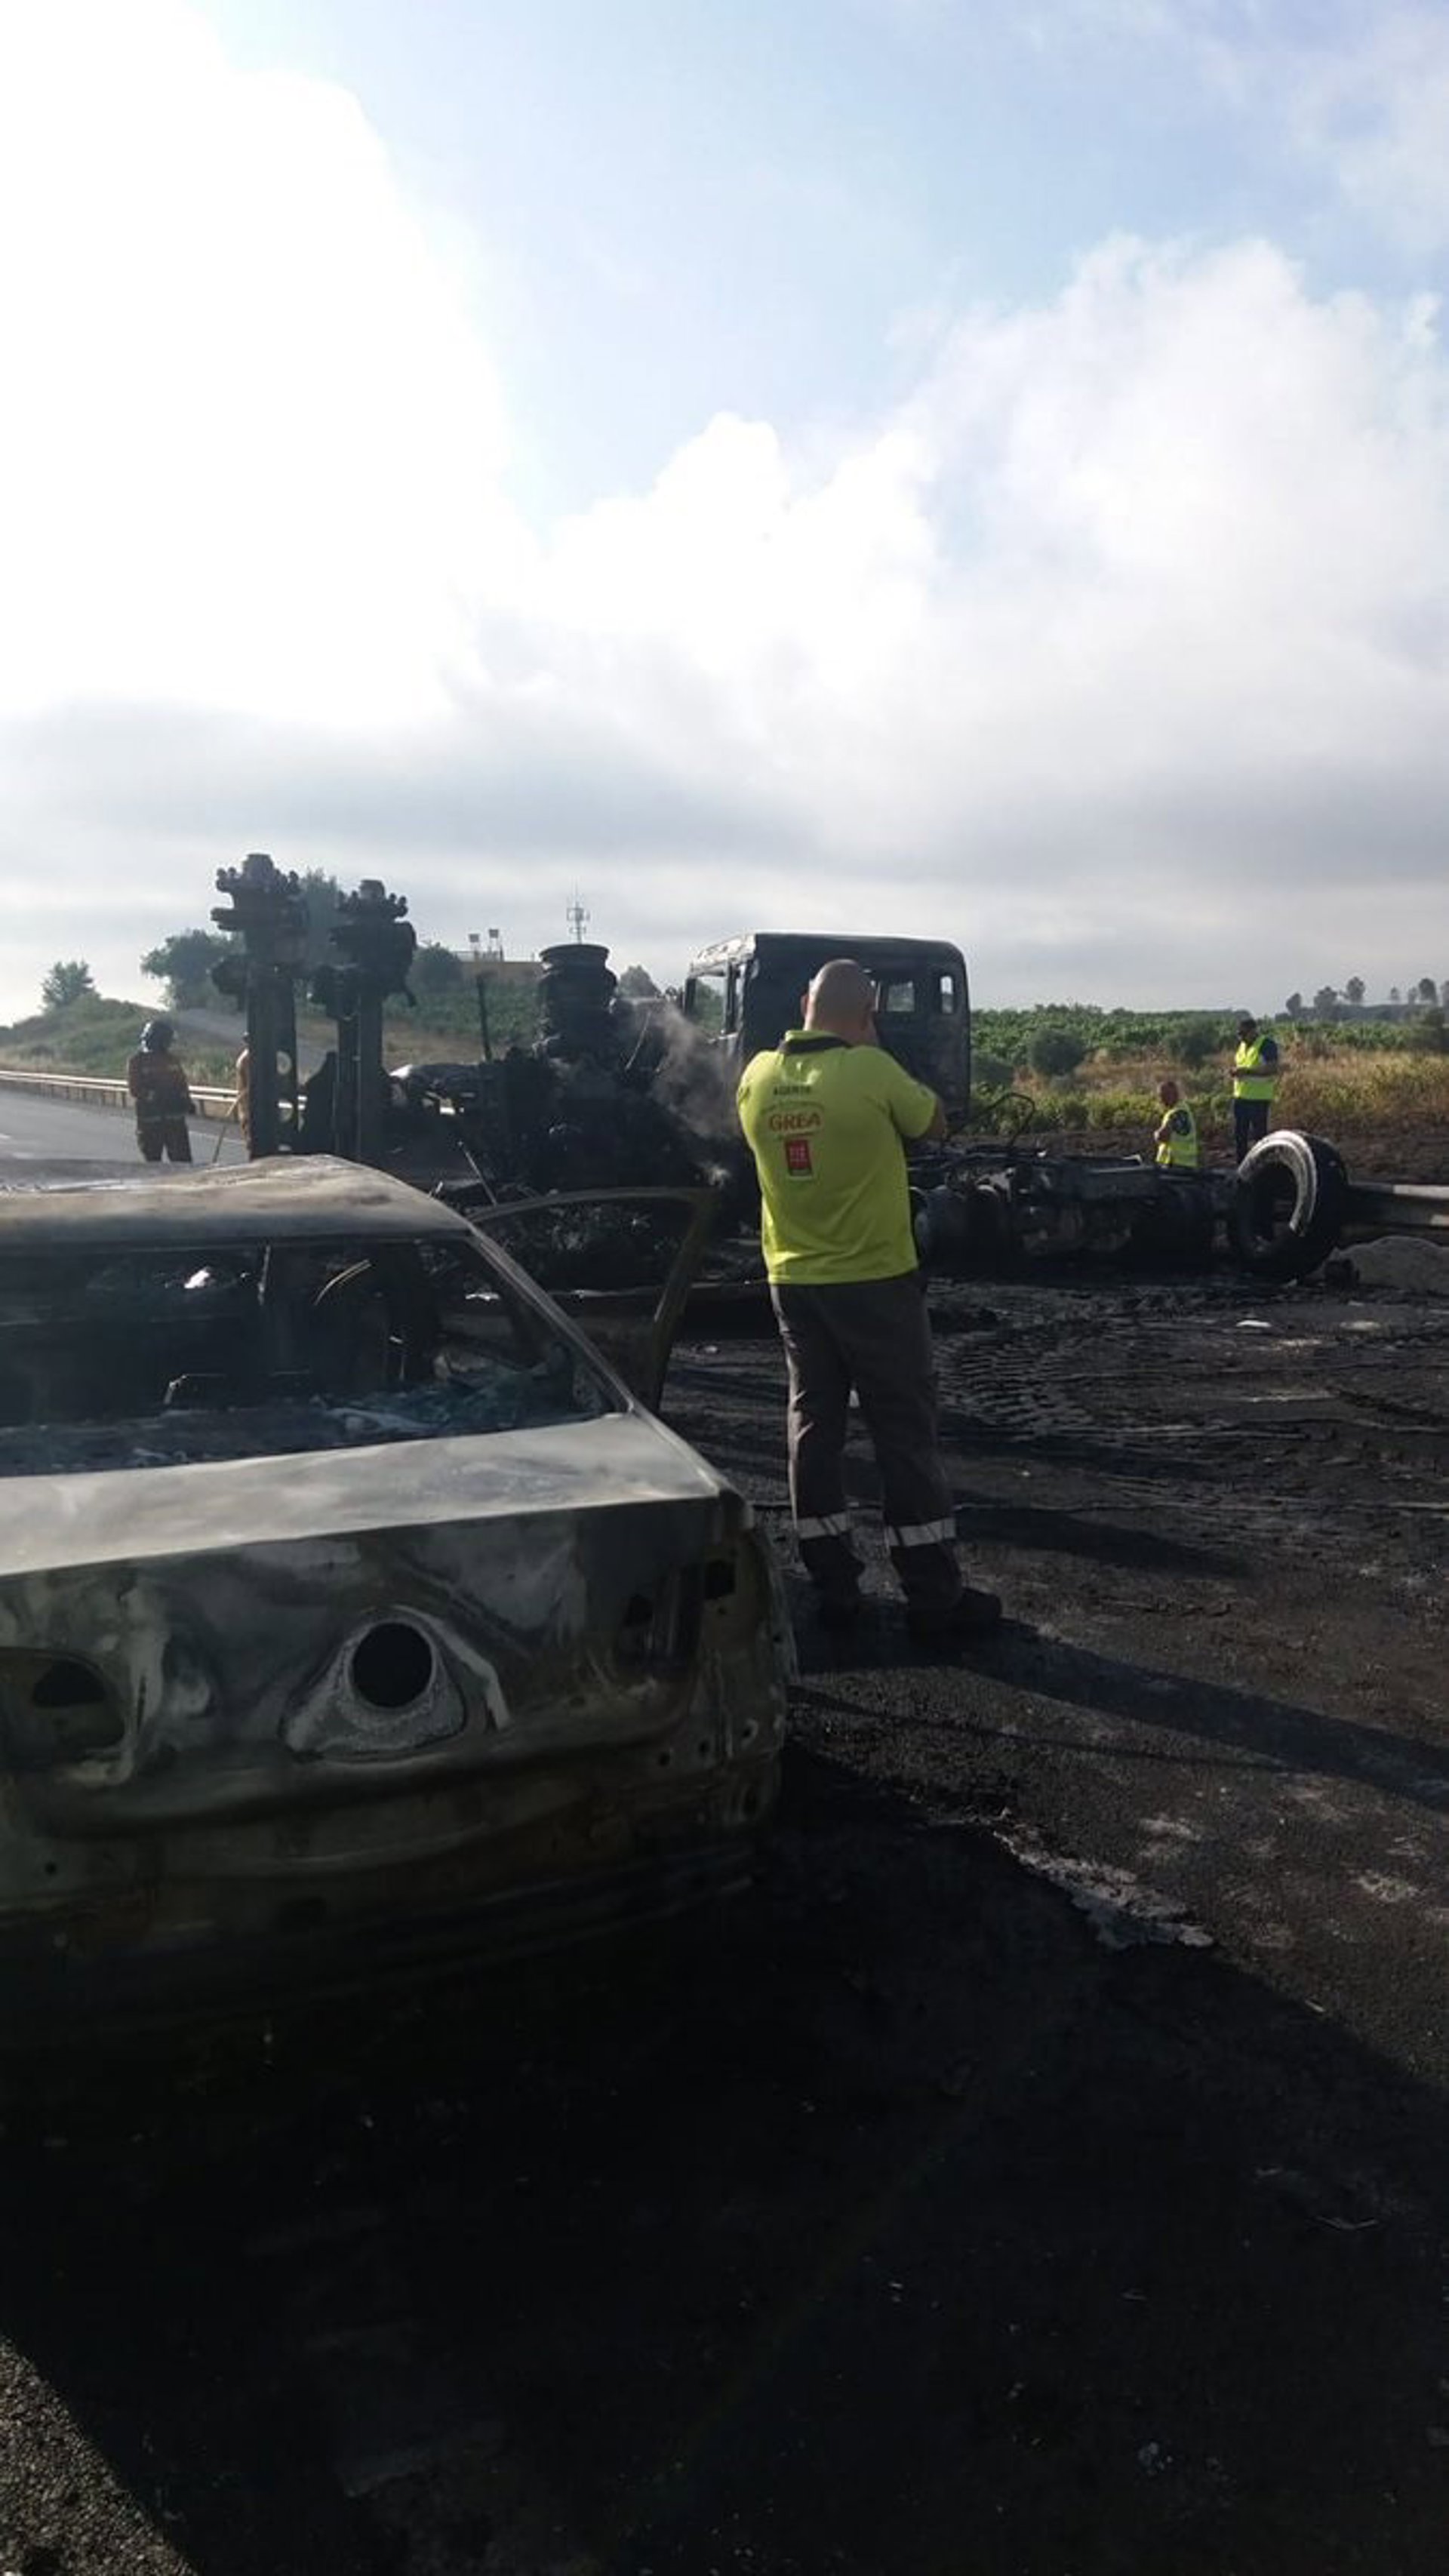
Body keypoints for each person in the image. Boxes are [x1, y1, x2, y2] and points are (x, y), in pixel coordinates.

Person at [736, 957, 1001, 1647]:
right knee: (903, 1433)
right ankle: (932, 1597)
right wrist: (873, 1045)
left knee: (812, 1426)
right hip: (876, 1281)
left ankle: (833, 1586)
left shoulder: (756, 1078)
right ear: (868, 1012)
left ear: (803, 1002)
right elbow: (934, 1122)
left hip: (793, 1281)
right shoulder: (871, 1071)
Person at [125, 1018, 195, 1164]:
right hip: (151, 1121)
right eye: (166, 1040)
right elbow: (135, 1089)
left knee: (182, 1162)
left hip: (175, 1120)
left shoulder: (172, 1060)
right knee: (153, 1163)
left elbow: (182, 1084)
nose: (168, 1044)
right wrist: (156, 1097)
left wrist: (187, 1101)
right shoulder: (137, 1061)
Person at [1231, 1016, 1280, 1162]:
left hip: (1258, 1099)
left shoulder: (1266, 1044)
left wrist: (1247, 1072)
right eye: (1239, 1034)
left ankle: (1261, 1166)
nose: (1241, 1037)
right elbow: (1243, 1065)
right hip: (1240, 1097)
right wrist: (1235, 1072)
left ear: (1253, 1031)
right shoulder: (1242, 1045)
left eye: (1244, 1034)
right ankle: (1241, 1166)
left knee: (1260, 1137)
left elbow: (1272, 1068)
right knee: (1240, 1136)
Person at [1154, 1077, 1201, 1171]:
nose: (1162, 1099)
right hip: (1186, 1164)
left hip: (1175, 1165)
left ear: (1174, 1095)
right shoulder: (1184, 1109)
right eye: (1160, 1095)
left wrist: (1156, 1134)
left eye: (1164, 1095)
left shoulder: (1177, 1113)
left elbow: (1162, 1136)